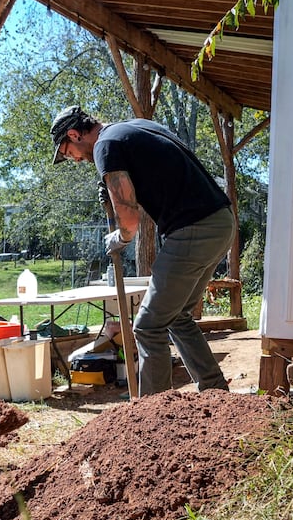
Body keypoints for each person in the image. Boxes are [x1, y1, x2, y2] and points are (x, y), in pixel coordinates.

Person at [50, 105, 234, 396]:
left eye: (66, 151)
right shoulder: (134, 127)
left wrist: (120, 238)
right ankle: (215, 391)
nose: (72, 159)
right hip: (220, 221)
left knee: (148, 327)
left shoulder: (105, 147)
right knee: (177, 317)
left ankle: (153, 411)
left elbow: (130, 220)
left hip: (193, 228)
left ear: (74, 135)